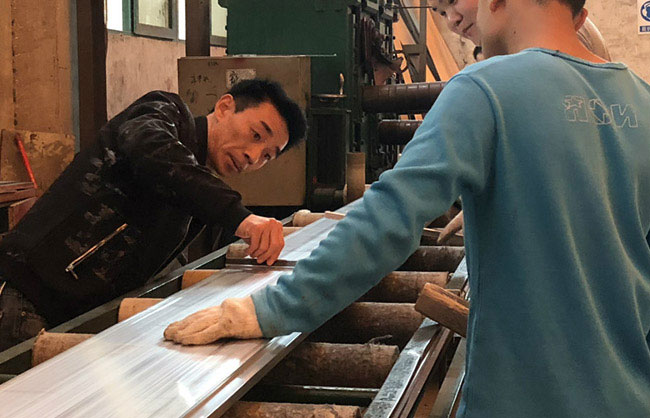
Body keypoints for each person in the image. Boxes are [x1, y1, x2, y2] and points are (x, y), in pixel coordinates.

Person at [166, 0, 650, 416]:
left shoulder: (486, 89)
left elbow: (385, 223)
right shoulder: (642, 101)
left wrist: (268, 309)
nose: (460, 18)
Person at [0, 79, 307, 351]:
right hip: (23, 297)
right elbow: (149, 149)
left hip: (73, 317)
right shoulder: (163, 114)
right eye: (256, 135)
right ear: (225, 107)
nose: (253, 156)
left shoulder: (196, 192)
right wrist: (239, 216)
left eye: (267, 156)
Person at [430, 0, 610, 243]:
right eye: (441, 13)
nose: (452, 20)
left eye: (453, 1)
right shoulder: (511, 50)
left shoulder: (553, 37)